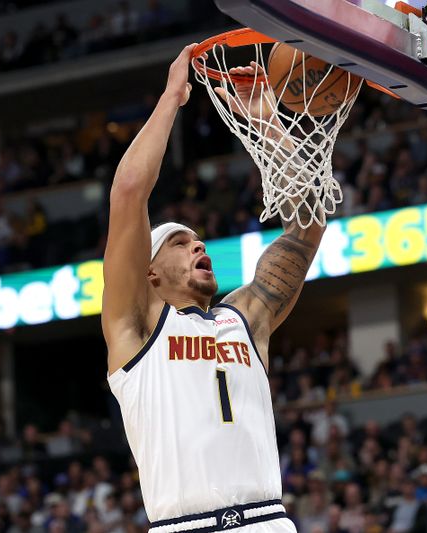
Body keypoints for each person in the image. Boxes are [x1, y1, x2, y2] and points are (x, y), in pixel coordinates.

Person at [102, 44, 325, 533]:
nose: (197, 245)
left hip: (267, 521)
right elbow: (128, 192)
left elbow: (306, 227)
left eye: (198, 240)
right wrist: (171, 99)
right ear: (150, 273)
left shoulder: (244, 318)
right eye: (180, 243)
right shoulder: (137, 327)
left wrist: (266, 120)